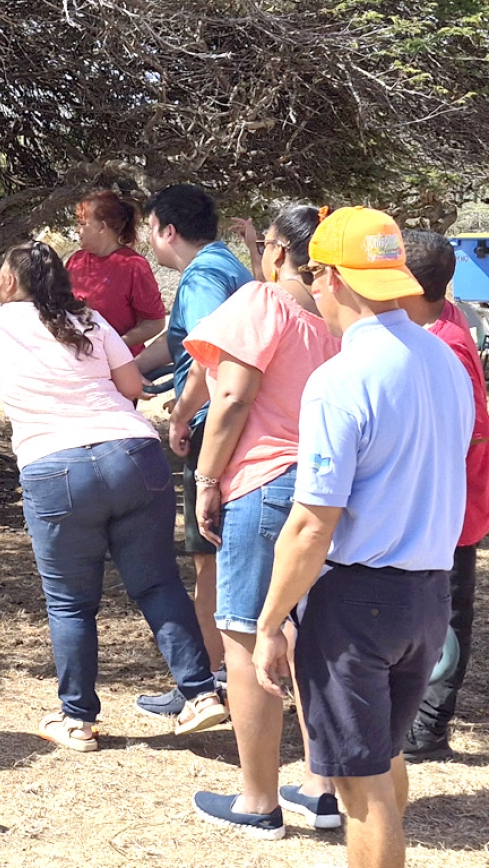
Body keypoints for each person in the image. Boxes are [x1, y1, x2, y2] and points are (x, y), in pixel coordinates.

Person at [0, 241, 227, 753]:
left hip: (54, 467)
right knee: (157, 585)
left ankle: (78, 718)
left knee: (70, 602)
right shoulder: (87, 319)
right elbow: (129, 383)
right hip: (133, 455)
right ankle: (199, 693)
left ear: (11, 282)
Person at [253, 207, 472, 868]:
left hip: (358, 603)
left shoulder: (341, 379)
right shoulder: (447, 361)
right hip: (429, 593)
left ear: (330, 279)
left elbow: (312, 521)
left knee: (359, 787)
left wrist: (268, 624)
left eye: (316, 274)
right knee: (385, 757)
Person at [170, 205, 342, 838]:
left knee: (245, 635)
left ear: (275, 252)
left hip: (264, 485)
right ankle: (322, 787)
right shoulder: (336, 319)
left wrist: (208, 478)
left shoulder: (262, 303)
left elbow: (233, 396)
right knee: (307, 632)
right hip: (325, 491)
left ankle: (257, 800)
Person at [134, 184, 253, 716]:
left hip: (213, 429)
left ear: (168, 230)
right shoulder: (224, 265)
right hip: (233, 425)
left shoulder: (202, 276)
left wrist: (181, 414)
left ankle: (205, 684)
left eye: (150, 229)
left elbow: (207, 356)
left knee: (209, 560)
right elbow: (177, 341)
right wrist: (124, 369)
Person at [397, 229, 489, 762]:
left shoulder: (444, 345)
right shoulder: (441, 322)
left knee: (448, 617)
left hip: (451, 507)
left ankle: (429, 731)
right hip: (450, 504)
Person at [65, 191, 167, 356]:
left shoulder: (133, 266)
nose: (77, 230)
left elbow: (155, 321)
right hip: (78, 360)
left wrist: (115, 344)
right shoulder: (75, 260)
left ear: (102, 227)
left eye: (83, 224)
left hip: (119, 363)